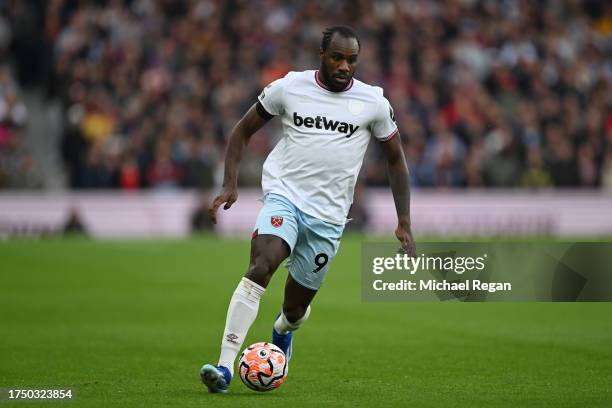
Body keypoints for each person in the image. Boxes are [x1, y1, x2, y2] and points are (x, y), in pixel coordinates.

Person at [200, 25, 416, 393]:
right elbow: (242, 131)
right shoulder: (289, 87)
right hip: (285, 197)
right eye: (337, 57)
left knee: (295, 310)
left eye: (352, 60)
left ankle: (282, 332)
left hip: (329, 218)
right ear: (322, 55)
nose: (345, 66)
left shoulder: (374, 103)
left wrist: (404, 222)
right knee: (260, 266)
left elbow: (396, 160)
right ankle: (224, 367)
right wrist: (229, 183)